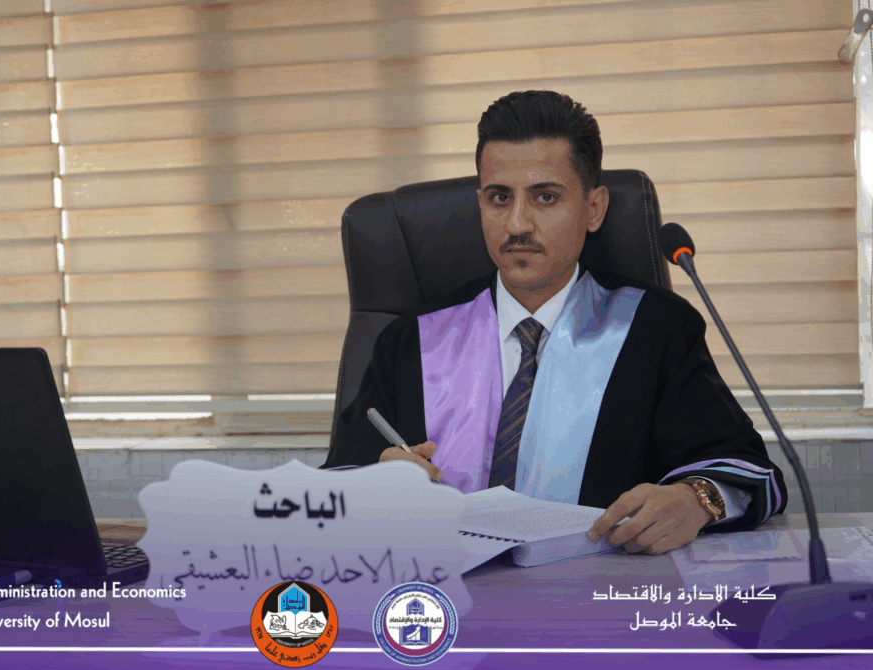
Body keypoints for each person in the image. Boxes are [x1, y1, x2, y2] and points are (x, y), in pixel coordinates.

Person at [322, 90, 787, 555]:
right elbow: (335, 485)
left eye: (545, 197)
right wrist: (372, 486)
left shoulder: (656, 329)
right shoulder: (412, 340)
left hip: (601, 590)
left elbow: (743, 469)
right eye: (499, 198)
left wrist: (696, 500)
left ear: (594, 208)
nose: (517, 224)